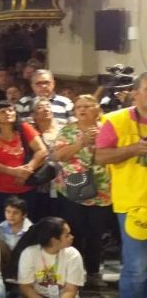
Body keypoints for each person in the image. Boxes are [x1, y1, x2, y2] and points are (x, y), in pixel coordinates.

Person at [95, 71, 147, 298]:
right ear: (135, 94)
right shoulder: (116, 120)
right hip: (133, 205)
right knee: (137, 268)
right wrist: (133, 149)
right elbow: (101, 157)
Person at [53, 94, 111, 288]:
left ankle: (94, 272)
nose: (82, 109)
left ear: (97, 109)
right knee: (74, 232)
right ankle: (74, 273)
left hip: (102, 191)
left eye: (87, 106)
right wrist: (81, 142)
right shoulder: (68, 130)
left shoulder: (108, 128)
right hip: (74, 189)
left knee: (96, 234)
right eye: (78, 107)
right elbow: (59, 155)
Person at [0, 101, 47, 226]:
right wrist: (13, 172)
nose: (8, 113)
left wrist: (28, 169)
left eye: (11, 110)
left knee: (28, 226)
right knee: (2, 226)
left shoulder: (24, 128)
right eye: (2, 111)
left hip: (26, 188)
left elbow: (42, 151)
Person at [11, 217, 85, 298]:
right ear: (54, 240)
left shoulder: (73, 255)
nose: (72, 237)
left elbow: (70, 290)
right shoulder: (29, 253)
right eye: (67, 235)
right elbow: (26, 287)